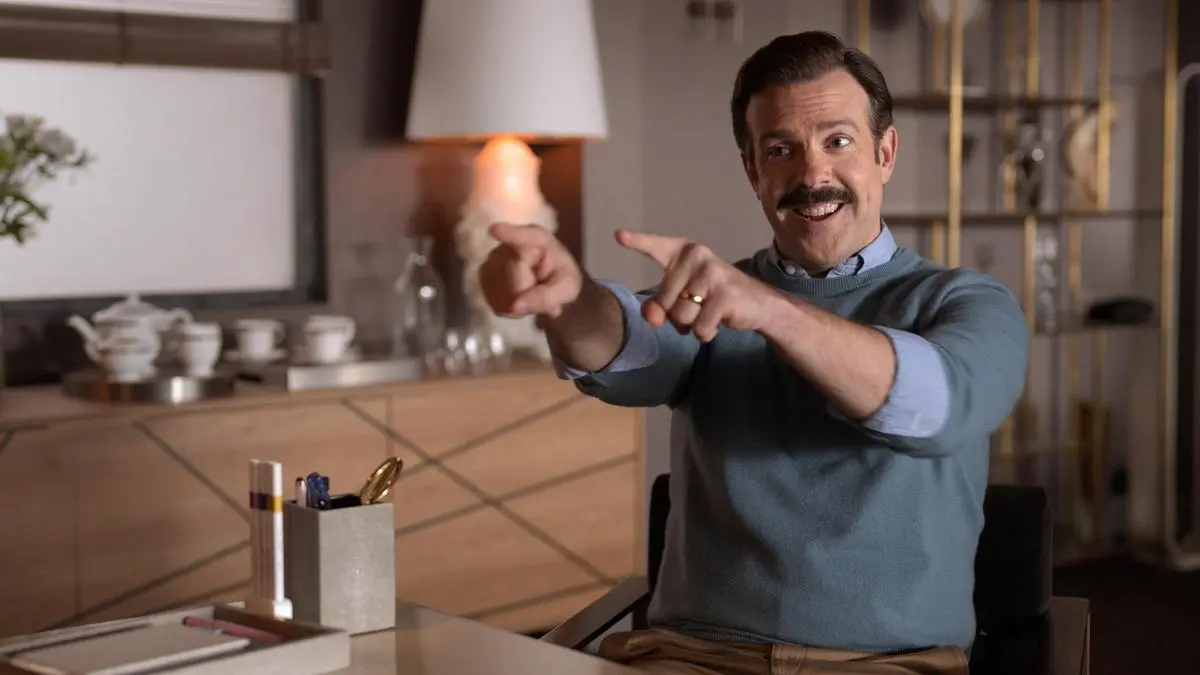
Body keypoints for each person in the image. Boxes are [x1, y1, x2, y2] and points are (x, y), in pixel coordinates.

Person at [477, 30, 1029, 675]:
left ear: (885, 153)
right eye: (780, 150)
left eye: (838, 142)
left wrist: (772, 310)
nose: (812, 175)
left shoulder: (970, 303)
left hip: (884, 663)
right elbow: (625, 346)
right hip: (693, 655)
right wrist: (569, 299)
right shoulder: (717, 296)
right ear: (752, 172)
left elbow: (937, 406)